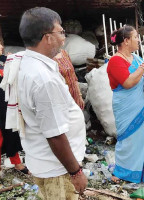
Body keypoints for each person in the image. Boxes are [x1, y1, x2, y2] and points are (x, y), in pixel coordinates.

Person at [18, 7, 87, 199]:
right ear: (47, 37)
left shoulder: (30, 64)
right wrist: (76, 172)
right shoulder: (43, 79)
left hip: (47, 163)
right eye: (61, 32)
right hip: (56, 169)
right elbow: (55, 134)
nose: (64, 37)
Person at [107, 25, 144, 185]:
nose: (139, 40)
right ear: (126, 40)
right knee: (129, 139)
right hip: (128, 107)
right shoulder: (116, 61)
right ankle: (124, 172)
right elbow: (128, 82)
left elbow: (141, 76)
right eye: (136, 37)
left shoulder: (135, 58)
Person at [0, 42, 29, 174]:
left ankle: (17, 163)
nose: (1, 47)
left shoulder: (4, 61)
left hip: (6, 105)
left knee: (11, 133)